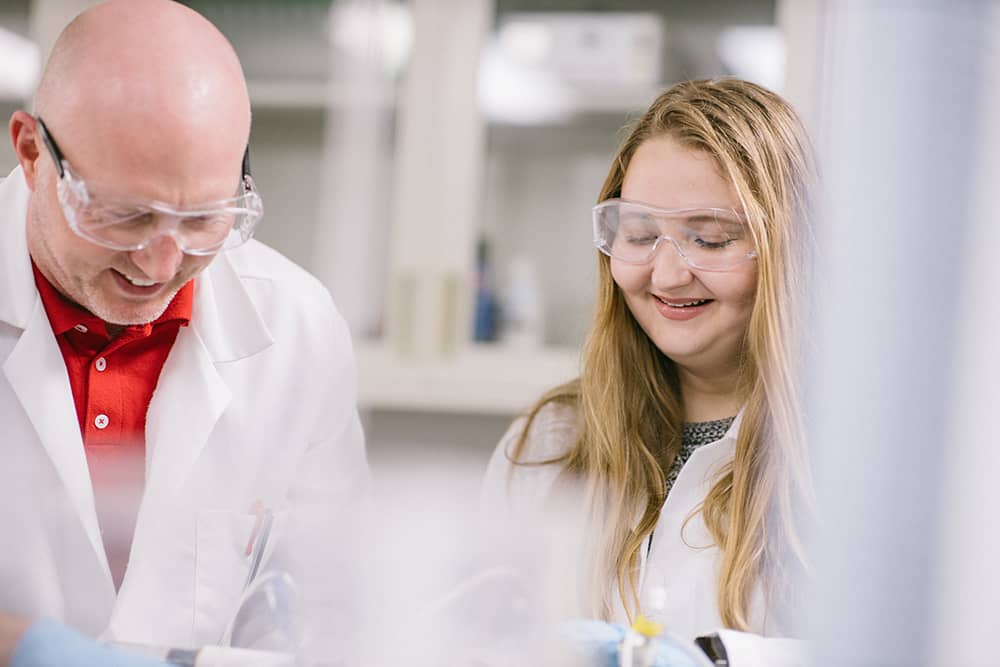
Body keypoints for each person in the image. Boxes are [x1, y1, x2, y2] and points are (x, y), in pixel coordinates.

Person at [0, 0, 368, 658]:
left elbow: (330, 616)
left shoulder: (299, 328)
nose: (161, 263)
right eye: (123, 214)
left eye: (203, 219)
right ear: (31, 152)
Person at [482, 78, 814, 650]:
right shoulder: (549, 442)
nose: (666, 276)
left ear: (790, 248)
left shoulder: (856, 463)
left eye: (709, 240)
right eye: (639, 235)